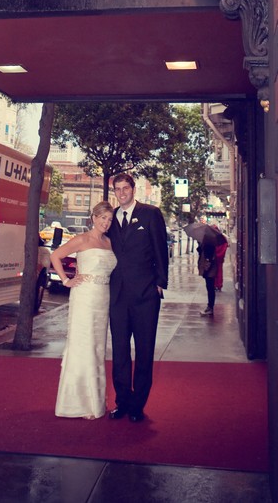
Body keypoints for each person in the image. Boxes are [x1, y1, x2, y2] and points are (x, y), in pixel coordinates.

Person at [108, 173, 169, 423]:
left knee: (144, 351)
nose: (122, 193)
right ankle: (122, 402)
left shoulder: (150, 214)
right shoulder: (110, 219)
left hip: (146, 295)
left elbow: (160, 249)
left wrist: (160, 283)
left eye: (125, 188)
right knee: (120, 351)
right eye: (118, 189)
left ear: (134, 190)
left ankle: (137, 406)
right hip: (118, 296)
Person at [50, 201, 116, 419]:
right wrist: (65, 280)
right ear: (94, 217)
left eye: (109, 219)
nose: (106, 222)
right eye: (103, 218)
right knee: (84, 346)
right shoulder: (82, 239)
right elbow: (55, 256)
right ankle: (79, 403)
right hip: (85, 296)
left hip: (103, 298)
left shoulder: (109, 242)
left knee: (97, 348)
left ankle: (94, 400)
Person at [197, 225, 229, 317]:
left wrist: (206, 267)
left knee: (210, 288)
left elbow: (209, 257)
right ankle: (210, 307)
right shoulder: (206, 242)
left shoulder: (209, 243)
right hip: (209, 268)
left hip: (209, 268)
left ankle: (210, 307)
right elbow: (200, 251)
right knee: (210, 287)